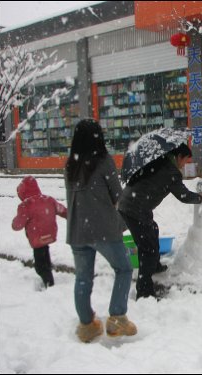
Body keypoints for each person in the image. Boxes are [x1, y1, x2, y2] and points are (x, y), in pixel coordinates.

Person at [65, 119, 137, 343]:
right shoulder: (103, 161)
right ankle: (116, 318)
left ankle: (87, 325)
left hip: (77, 230)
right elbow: (118, 195)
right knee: (124, 269)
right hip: (103, 228)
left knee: (83, 278)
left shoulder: (71, 164)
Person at [118, 143, 202, 300]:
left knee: (152, 229)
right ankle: (144, 291)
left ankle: (154, 265)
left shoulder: (159, 161)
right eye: (185, 161)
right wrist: (200, 197)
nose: (185, 165)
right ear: (179, 157)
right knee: (147, 248)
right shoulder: (171, 171)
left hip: (131, 203)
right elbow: (184, 196)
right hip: (136, 209)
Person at [12, 176, 67, 288]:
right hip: (50, 235)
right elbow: (63, 210)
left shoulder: (26, 205)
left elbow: (17, 225)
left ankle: (49, 283)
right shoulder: (48, 200)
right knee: (45, 253)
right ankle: (48, 271)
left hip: (37, 238)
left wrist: (14, 222)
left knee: (39, 265)